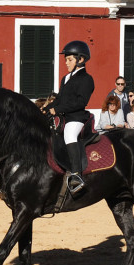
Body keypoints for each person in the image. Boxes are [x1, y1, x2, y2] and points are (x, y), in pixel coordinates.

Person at [45, 40, 94, 193]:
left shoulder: (87, 79)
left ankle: (76, 175)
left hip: (77, 118)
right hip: (64, 116)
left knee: (69, 134)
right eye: (66, 59)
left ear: (81, 60)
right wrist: (46, 108)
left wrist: (57, 109)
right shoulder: (65, 78)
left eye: (69, 59)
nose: (66, 62)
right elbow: (59, 99)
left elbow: (80, 102)